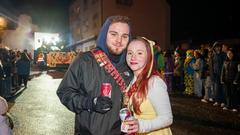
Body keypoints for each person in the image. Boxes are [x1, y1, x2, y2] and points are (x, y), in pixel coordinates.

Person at [57, 15, 133, 135]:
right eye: (114, 34)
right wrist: (89, 103)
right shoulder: (84, 60)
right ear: (104, 35)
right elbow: (65, 92)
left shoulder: (131, 65)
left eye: (124, 36)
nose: (119, 40)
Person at [123, 37, 173, 134]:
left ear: (149, 56)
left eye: (139, 53)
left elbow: (167, 118)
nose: (133, 57)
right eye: (130, 53)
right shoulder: (132, 80)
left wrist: (141, 125)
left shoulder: (154, 82)